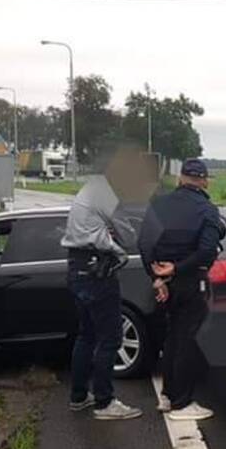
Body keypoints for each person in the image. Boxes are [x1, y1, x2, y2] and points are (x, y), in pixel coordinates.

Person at [138, 158, 226, 421]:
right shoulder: (207, 210)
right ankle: (182, 403)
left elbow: (144, 243)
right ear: (204, 181)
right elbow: (207, 250)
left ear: (180, 179)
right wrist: (177, 269)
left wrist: (157, 277)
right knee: (187, 340)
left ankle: (167, 396)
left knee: (172, 339)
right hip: (190, 281)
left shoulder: (158, 204)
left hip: (164, 284)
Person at [61, 177, 143, 421]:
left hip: (77, 267)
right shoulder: (107, 195)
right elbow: (129, 237)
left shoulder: (89, 189)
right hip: (97, 271)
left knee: (86, 335)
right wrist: (114, 233)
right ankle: (104, 402)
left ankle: (78, 396)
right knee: (110, 338)